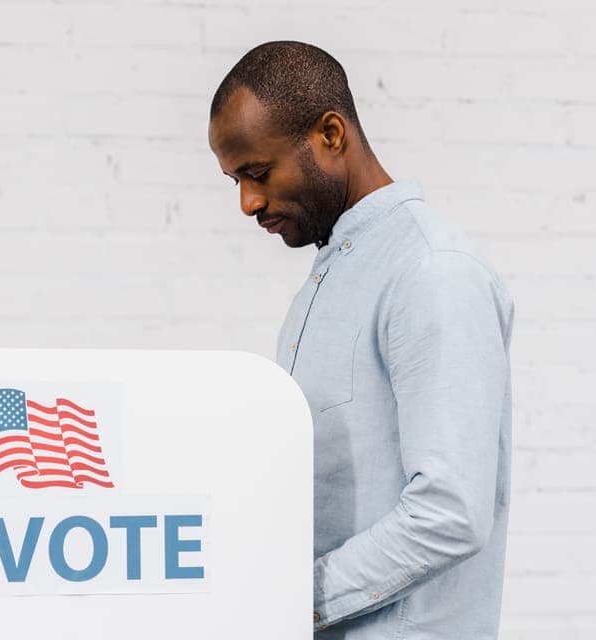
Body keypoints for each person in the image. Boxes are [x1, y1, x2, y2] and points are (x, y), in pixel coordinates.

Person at [207, 41, 515, 639]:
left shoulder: (432, 271)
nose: (248, 202)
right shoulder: (333, 276)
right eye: (235, 180)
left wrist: (289, 599)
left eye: (258, 173)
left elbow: (451, 513)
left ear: (329, 134)